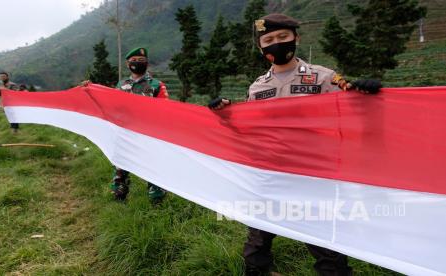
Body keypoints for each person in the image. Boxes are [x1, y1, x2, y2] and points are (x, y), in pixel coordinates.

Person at [209, 13, 381, 276]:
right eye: (268, 39)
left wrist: (367, 92)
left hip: (313, 174)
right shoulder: (257, 87)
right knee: (258, 237)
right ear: (261, 47)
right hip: (270, 173)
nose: (276, 43)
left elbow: (354, 103)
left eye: (282, 37)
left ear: (296, 38)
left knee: (323, 241)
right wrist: (224, 114)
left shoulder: (324, 78)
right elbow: (248, 129)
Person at [89, 47, 169, 201]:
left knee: (153, 165)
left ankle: (157, 199)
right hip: (124, 133)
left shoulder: (157, 85)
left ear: (147, 64)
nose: (137, 63)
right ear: (128, 64)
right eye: (134, 61)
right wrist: (91, 90)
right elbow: (111, 105)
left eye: (141, 61)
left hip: (148, 135)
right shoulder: (121, 85)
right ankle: (119, 196)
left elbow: (165, 110)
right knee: (121, 165)